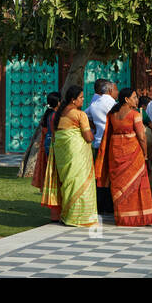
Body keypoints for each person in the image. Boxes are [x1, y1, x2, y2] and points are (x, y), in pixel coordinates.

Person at [94, 86, 152, 226]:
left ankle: (123, 217)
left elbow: (108, 134)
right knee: (137, 184)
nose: (137, 100)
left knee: (119, 185)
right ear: (127, 100)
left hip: (115, 152)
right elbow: (141, 137)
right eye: (134, 97)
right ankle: (139, 217)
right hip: (132, 152)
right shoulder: (135, 115)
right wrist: (145, 153)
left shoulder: (112, 114)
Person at [39, 85, 97, 227]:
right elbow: (88, 137)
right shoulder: (80, 114)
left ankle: (66, 215)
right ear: (73, 100)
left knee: (68, 183)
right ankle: (79, 217)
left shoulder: (60, 114)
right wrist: (93, 134)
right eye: (81, 97)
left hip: (62, 155)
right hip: (77, 155)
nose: (83, 100)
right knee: (79, 182)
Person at [86, 78, 118, 215]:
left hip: (98, 142)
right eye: (116, 90)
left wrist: (96, 128)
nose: (117, 92)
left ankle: (100, 205)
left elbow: (86, 116)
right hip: (111, 142)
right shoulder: (113, 104)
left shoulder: (94, 104)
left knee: (99, 175)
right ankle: (110, 205)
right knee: (112, 175)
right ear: (110, 90)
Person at [31, 91, 63, 221]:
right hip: (53, 148)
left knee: (52, 178)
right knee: (57, 179)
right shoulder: (55, 116)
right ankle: (58, 213)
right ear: (58, 102)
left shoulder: (47, 115)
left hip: (47, 147)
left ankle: (55, 214)